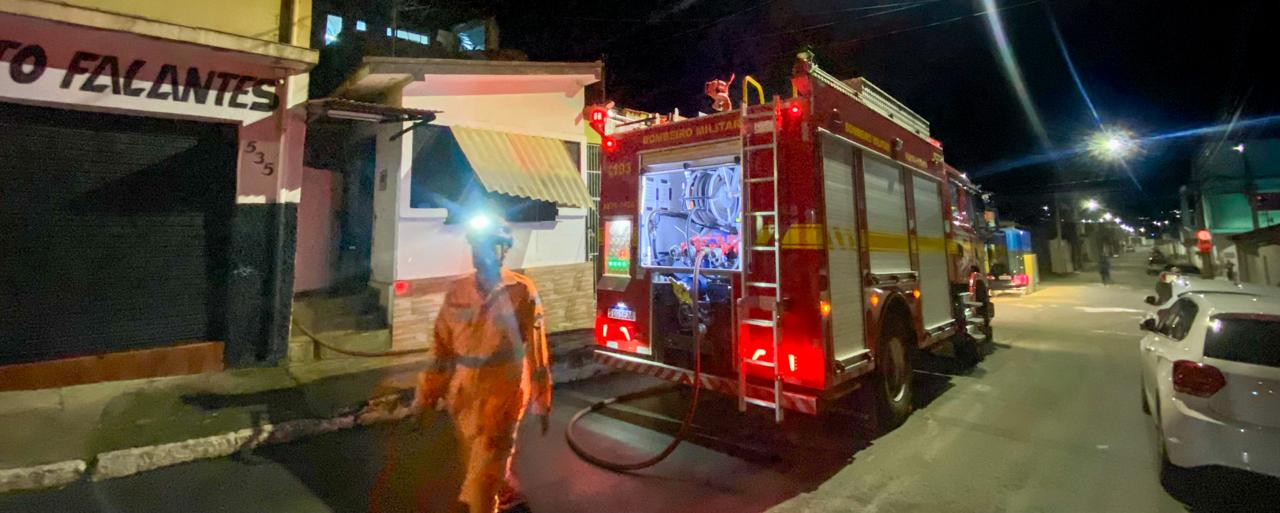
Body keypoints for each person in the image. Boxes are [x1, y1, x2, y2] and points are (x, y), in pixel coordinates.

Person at [414, 214, 552, 513]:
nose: (480, 251)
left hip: (504, 395)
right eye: (476, 245)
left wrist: (542, 399)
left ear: (504, 249)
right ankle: (504, 489)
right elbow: (440, 349)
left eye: (488, 245)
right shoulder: (458, 291)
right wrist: (425, 398)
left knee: (483, 476)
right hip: (464, 398)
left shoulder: (522, 291)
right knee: (479, 464)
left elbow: (537, 350)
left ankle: (490, 499)